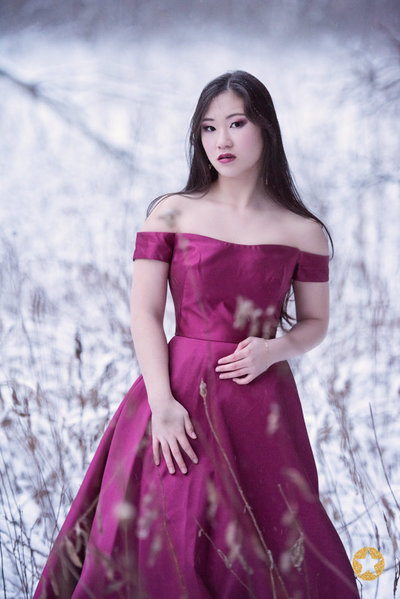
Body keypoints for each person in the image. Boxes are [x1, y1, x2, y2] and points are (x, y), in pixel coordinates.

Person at [33, 71, 360, 599]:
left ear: (266, 130)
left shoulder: (303, 231)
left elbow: (316, 323)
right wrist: (161, 404)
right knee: (169, 536)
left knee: (271, 545)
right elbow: (144, 313)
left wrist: (276, 347)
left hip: (260, 406)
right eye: (208, 128)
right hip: (175, 396)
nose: (222, 141)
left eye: (236, 123)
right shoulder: (172, 212)